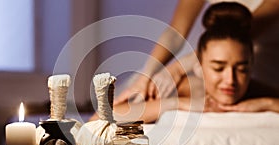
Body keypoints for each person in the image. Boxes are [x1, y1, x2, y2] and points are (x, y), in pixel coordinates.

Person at [89, 2, 279, 123]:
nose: (230, 79)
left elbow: (234, 43)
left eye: (242, 69)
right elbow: (99, 120)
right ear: (201, 65)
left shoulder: (249, 88)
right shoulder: (181, 87)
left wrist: (266, 103)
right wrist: (176, 102)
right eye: (218, 68)